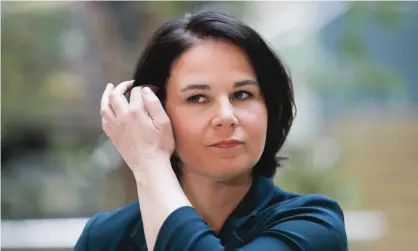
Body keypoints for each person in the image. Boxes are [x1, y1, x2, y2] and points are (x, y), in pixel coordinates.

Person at [75, 9, 348, 251]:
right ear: (154, 111)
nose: (226, 117)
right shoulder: (106, 237)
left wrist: (149, 163)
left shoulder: (312, 226)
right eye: (198, 98)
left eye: (242, 94)